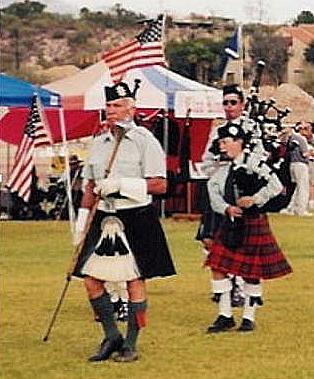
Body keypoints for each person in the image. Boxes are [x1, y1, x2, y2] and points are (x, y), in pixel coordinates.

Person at [72, 81, 176, 363]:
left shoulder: (145, 141)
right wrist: (81, 225)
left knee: (134, 282)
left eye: (117, 105)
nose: (111, 110)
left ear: (132, 109)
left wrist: (122, 184)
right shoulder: (98, 143)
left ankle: (130, 343)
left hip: (136, 217)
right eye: (109, 105)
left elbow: (160, 185)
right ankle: (111, 335)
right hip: (103, 217)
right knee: (90, 279)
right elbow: (90, 187)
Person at [204, 122, 292, 333]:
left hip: (253, 221)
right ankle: (225, 315)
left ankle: (248, 317)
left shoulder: (254, 163)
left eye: (225, 142)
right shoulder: (222, 167)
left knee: (252, 272)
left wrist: (254, 199)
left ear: (239, 142)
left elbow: (277, 186)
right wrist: (226, 208)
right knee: (218, 267)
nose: (222, 147)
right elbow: (212, 190)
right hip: (231, 222)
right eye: (220, 142)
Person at [197, 84, 256, 307]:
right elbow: (206, 160)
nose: (229, 107)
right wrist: (220, 171)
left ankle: (239, 287)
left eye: (233, 102)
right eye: (225, 102)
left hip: (241, 192)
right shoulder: (217, 131)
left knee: (240, 242)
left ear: (242, 104)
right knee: (209, 238)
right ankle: (224, 284)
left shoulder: (251, 128)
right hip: (219, 189)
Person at [283, 121, 312, 216]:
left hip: (293, 164)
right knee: (303, 188)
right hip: (301, 164)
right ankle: (301, 210)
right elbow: (304, 154)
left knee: (298, 188)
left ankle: (291, 208)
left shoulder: (293, 137)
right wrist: (311, 152)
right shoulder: (301, 138)